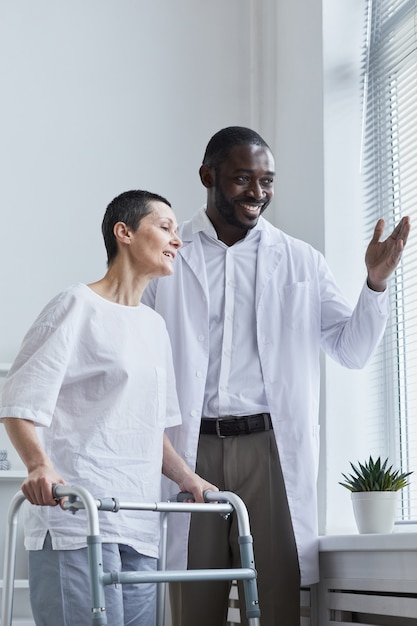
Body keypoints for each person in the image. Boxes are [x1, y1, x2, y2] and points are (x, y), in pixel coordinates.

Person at [141, 126, 411, 626]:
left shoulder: (301, 260)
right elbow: (139, 357)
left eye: (267, 181)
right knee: (192, 606)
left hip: (269, 450)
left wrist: (375, 283)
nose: (257, 193)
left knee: (275, 608)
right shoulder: (169, 260)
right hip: (191, 452)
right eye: (243, 179)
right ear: (208, 176)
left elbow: (350, 351)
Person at [0, 189, 216, 626]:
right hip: (77, 521)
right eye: (165, 227)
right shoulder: (76, 305)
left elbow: (149, 430)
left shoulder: (154, 327)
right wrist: (39, 465)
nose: (177, 240)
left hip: (137, 523)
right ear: (125, 232)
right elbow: (19, 400)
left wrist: (190, 480)